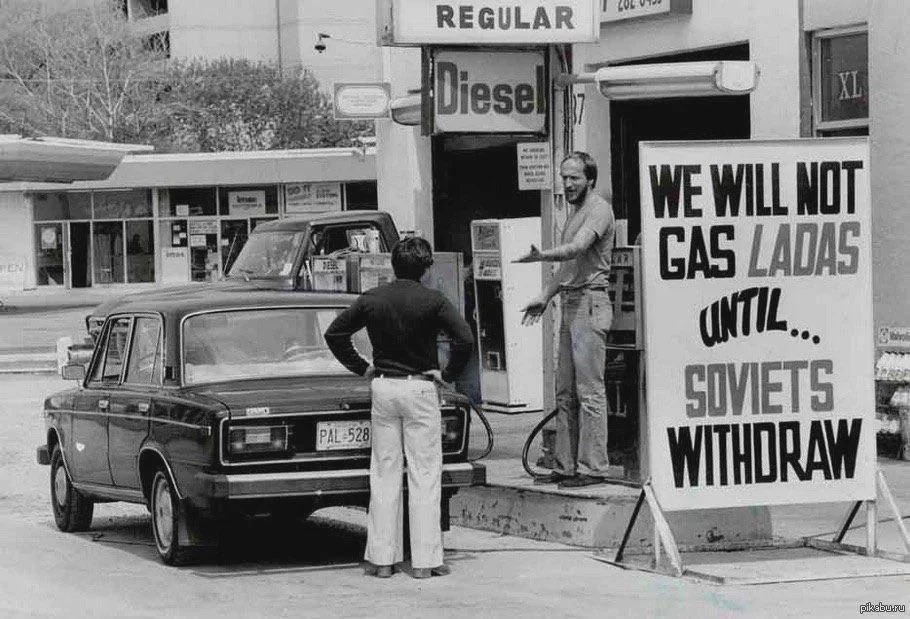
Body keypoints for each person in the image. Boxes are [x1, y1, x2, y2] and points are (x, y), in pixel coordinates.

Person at [324, 236, 474, 579]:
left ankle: (381, 559)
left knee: (384, 473)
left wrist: (362, 367)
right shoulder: (434, 300)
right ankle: (425, 561)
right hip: (420, 387)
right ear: (426, 268)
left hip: (384, 388)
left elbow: (335, 334)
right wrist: (447, 373)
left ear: (394, 265)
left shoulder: (374, 298)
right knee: (424, 475)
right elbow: (464, 339)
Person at [515, 152, 616, 489]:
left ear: (590, 179)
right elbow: (569, 267)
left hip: (591, 302)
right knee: (565, 392)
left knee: (589, 391)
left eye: (574, 178)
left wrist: (541, 255)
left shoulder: (598, 210)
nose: (568, 184)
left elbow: (576, 249)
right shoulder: (572, 213)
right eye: (564, 177)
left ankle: (593, 467)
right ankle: (566, 465)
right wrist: (545, 295)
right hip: (572, 302)